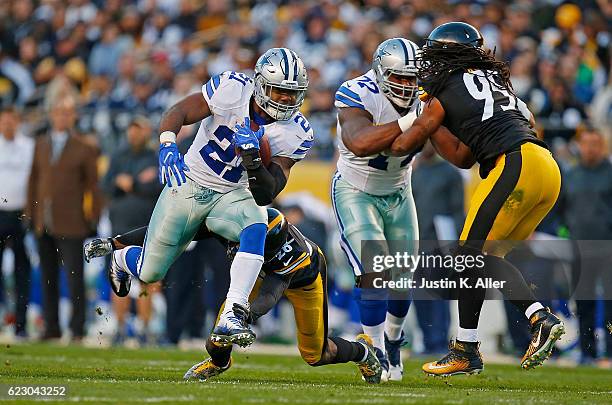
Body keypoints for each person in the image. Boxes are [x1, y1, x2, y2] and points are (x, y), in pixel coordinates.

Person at [102, 48, 313, 347]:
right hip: (189, 184)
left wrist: (253, 159)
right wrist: (167, 143)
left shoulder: (296, 131)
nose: (285, 101)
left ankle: (232, 314)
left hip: (233, 195)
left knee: (256, 222)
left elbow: (267, 193)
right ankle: (123, 259)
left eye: (292, 94)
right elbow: (178, 112)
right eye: (279, 91)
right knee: (151, 271)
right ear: (261, 84)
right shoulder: (232, 89)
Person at [387, 22, 564, 374]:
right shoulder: (497, 84)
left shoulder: (446, 87)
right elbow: (464, 157)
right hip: (545, 167)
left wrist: (402, 123)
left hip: (514, 164)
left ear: (444, 55)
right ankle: (467, 348)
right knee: (481, 262)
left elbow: (405, 143)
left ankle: (536, 318)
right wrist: (435, 123)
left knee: (468, 257)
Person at [85, 209, 383, 384]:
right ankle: (219, 362)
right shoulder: (233, 222)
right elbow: (167, 233)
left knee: (315, 355)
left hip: (304, 279)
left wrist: (244, 315)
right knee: (217, 338)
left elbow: (271, 293)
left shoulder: (288, 254)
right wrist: (116, 242)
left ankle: (361, 351)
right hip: (260, 276)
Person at [331, 38, 422, 381]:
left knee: (402, 279)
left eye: (412, 78)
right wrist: (413, 120)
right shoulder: (357, 91)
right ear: (381, 73)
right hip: (357, 189)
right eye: (398, 78)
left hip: (399, 191)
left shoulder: (427, 96)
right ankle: (376, 349)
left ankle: (394, 339)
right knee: (374, 267)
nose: (407, 85)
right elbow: (359, 141)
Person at [26, 96, 102, 341]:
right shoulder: (40, 144)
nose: (62, 117)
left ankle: (77, 328)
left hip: (72, 221)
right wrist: (31, 214)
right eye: (58, 112)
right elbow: (33, 181)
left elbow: (94, 187)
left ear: (73, 117)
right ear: (51, 115)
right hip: (43, 221)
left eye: (67, 113)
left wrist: (93, 219)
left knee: (74, 278)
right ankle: (51, 327)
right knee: (47, 276)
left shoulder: (84, 146)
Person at [99, 115, 162, 345]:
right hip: (120, 225)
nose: (134, 134)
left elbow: (159, 185)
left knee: (147, 278)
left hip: (146, 226)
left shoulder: (155, 158)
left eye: (139, 129)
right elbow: (105, 185)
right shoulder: (117, 156)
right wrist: (122, 182)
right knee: (119, 277)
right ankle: (120, 327)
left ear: (147, 132)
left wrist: (132, 183)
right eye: (132, 129)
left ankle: (145, 328)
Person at [560, 126, 612, 366]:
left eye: (595, 144)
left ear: (602, 146)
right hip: (579, 247)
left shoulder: (610, 173)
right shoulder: (570, 175)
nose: (591, 148)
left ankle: (610, 352)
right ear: (580, 146)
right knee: (584, 301)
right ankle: (587, 351)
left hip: (607, 246)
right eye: (587, 143)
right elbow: (560, 209)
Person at [0, 107, 34, 338]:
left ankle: (21, 324)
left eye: (12, 121)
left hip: (21, 215)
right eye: (4, 121)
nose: (8, 125)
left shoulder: (29, 147)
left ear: (18, 122)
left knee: (23, 270)